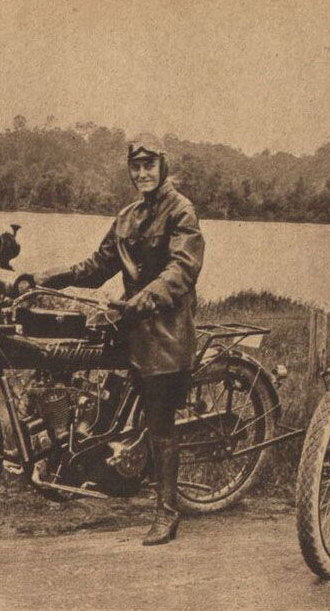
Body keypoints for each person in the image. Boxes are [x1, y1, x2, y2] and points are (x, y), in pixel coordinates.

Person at [21, 133, 205, 546]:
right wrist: (52, 277)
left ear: (163, 167)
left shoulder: (182, 211)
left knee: (161, 420)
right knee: (75, 367)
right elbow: (97, 265)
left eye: (149, 165)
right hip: (129, 320)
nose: (142, 173)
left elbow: (182, 270)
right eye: (135, 167)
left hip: (164, 327)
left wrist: (142, 300)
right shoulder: (126, 216)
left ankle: (167, 512)